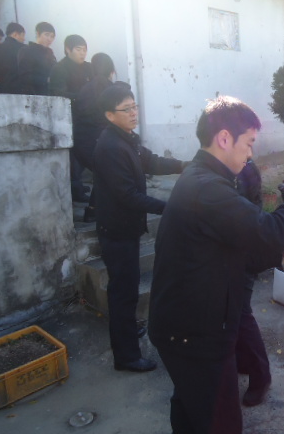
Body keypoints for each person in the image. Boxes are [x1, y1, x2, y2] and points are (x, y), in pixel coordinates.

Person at [147, 96, 284, 434]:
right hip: (195, 333)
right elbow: (269, 233)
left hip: (186, 324)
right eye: (249, 143)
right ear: (225, 138)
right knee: (219, 421)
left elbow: (234, 243)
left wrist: (278, 256)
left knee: (190, 407)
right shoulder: (207, 188)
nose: (251, 154)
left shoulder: (203, 178)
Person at [92, 84, 188, 374]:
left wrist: (184, 165)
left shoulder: (126, 139)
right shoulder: (110, 147)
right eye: (127, 109)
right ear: (110, 115)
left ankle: (127, 330)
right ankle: (126, 357)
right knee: (123, 293)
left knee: (128, 288)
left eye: (135, 107)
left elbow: (152, 161)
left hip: (126, 229)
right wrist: (168, 208)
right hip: (116, 231)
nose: (134, 113)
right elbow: (128, 196)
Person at [235, 159, 272, 407]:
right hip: (233, 252)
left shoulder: (244, 168)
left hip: (243, 252)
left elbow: (245, 213)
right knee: (234, 313)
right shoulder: (232, 167)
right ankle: (245, 362)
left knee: (241, 315)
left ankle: (261, 376)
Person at [73, 52, 121, 222]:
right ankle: (97, 210)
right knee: (112, 170)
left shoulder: (85, 88)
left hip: (80, 142)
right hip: (99, 140)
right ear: (111, 70)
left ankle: (94, 210)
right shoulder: (110, 90)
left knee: (104, 172)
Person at [49, 34, 93, 203]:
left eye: (85, 50)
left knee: (85, 153)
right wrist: (82, 97)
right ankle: (75, 189)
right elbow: (58, 93)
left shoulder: (89, 68)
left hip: (88, 116)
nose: (82, 53)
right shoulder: (60, 68)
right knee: (74, 155)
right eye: (78, 49)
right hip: (70, 117)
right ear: (68, 49)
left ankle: (78, 185)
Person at [15, 21, 56, 95]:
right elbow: (24, 76)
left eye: (52, 36)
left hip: (49, 93)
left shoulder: (50, 53)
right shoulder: (27, 50)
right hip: (34, 94)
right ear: (37, 34)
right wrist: (46, 80)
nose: (49, 39)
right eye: (46, 35)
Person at [0, 22, 25, 94]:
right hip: (20, 89)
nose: (24, 39)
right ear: (15, 34)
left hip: (2, 88)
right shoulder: (23, 49)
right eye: (22, 35)